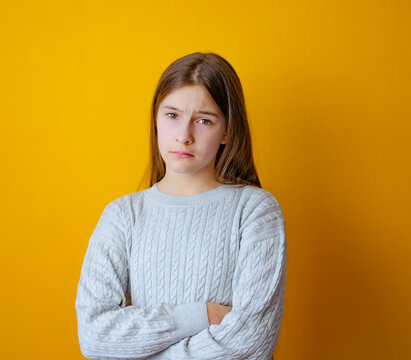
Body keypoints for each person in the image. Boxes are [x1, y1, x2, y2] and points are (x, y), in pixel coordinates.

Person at [75, 52, 287, 360]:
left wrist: (139, 352)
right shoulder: (122, 216)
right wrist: (199, 315)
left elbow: (249, 345)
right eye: (172, 115)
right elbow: (95, 336)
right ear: (156, 120)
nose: (184, 136)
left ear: (227, 130)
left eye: (204, 120)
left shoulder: (255, 211)